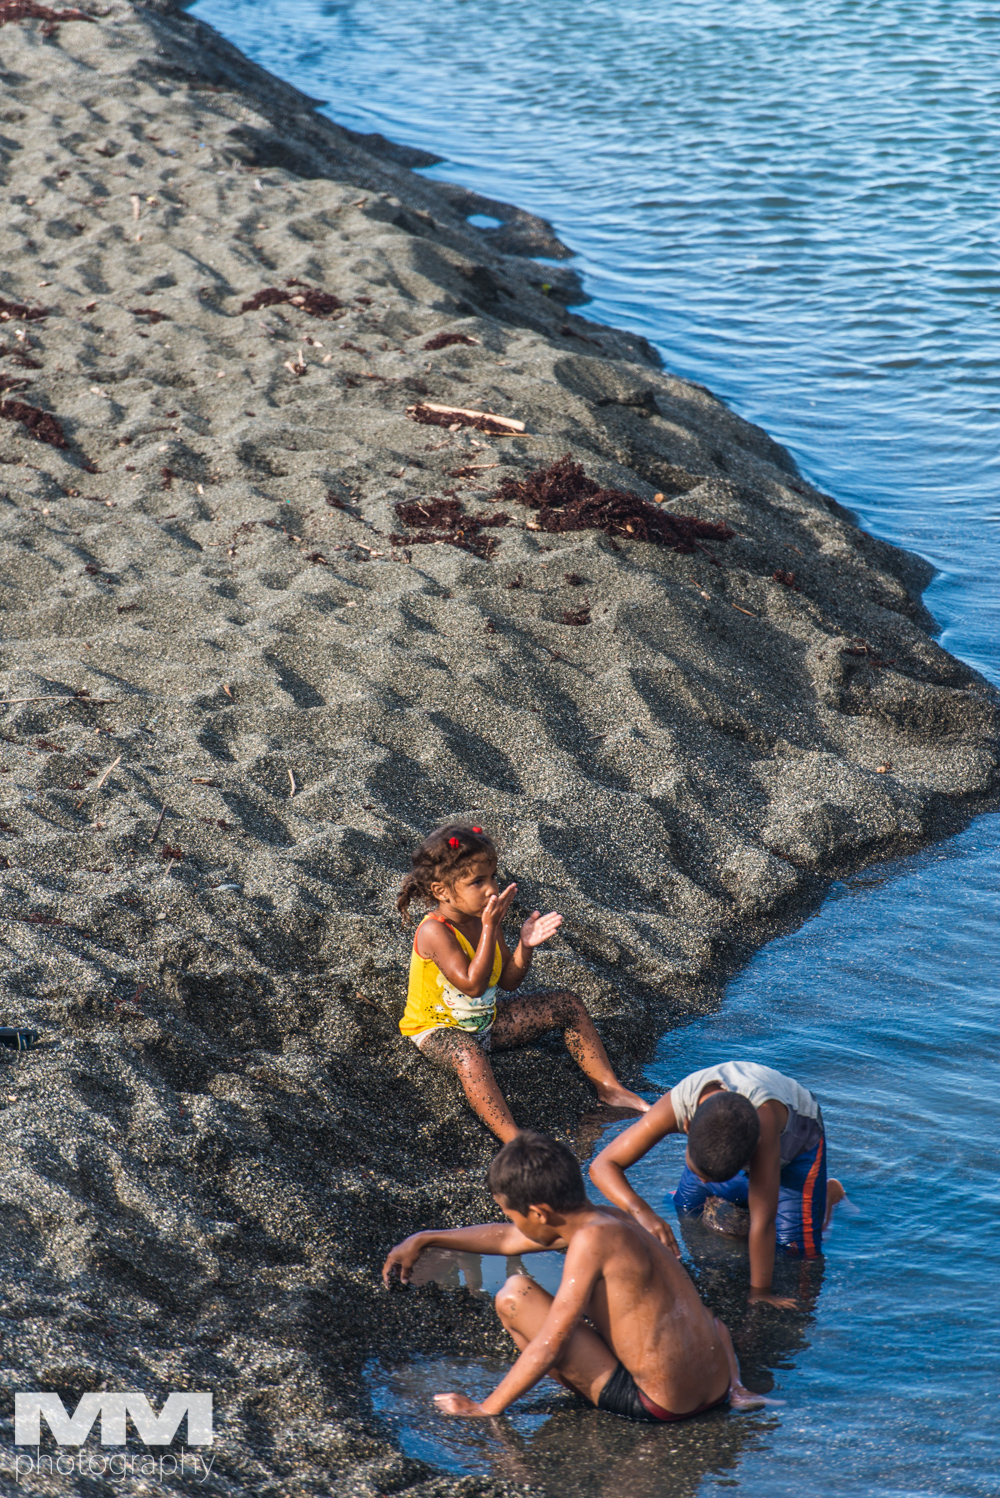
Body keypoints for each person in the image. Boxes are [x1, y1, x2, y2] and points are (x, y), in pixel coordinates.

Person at [382, 1131, 765, 1421]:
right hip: (717, 1385)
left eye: (513, 1214)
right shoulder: (611, 1218)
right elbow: (508, 1238)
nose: (513, 1223)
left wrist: (485, 1408)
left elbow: (551, 1342)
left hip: (662, 1404)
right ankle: (737, 1388)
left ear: (540, 1213)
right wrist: (426, 1237)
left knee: (514, 1296)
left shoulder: (589, 1241)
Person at [397, 824, 647, 1141]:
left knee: (567, 1004)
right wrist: (490, 928)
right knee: (469, 1057)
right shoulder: (434, 930)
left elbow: (509, 981)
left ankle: (610, 1088)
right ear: (441, 891)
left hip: (485, 1022)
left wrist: (525, 945)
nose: (491, 889)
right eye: (477, 882)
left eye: (493, 877)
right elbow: (472, 986)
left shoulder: (485, 920)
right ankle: (512, 1137)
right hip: (438, 1030)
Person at [589, 1060, 845, 1310]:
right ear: (687, 1126)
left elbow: (763, 1222)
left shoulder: (766, 1129)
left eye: (712, 1177)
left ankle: (828, 1195)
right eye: (699, 1171)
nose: (703, 1181)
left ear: (750, 1157)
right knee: (685, 1206)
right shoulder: (679, 1104)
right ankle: (725, 1183)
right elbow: (602, 1165)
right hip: (729, 1141)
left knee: (796, 1252)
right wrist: (641, 1211)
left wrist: (760, 1292)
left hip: (797, 1148)